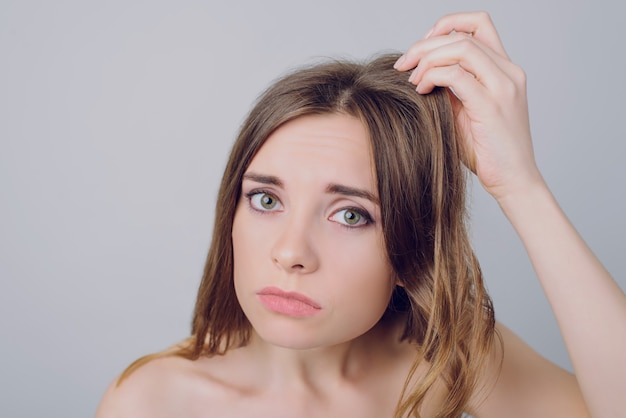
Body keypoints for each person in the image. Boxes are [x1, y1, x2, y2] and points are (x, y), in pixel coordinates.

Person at [95, 11, 625, 418]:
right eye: (266, 200)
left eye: (351, 215)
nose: (291, 253)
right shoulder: (154, 400)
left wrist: (520, 186)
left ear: (410, 247)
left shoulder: (448, 362)